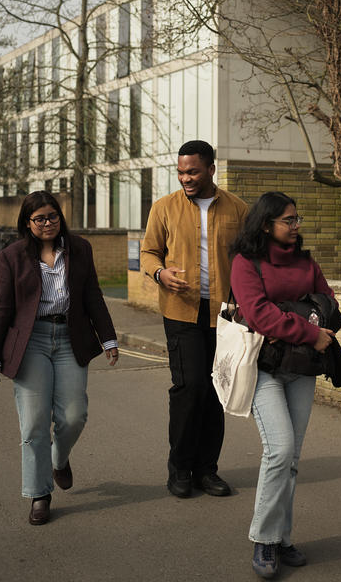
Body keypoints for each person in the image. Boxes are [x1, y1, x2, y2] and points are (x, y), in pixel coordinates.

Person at [0, 191, 119, 525]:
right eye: (39, 218)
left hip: (71, 337)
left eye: (52, 216)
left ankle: (59, 459)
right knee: (34, 422)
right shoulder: (12, 256)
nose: (47, 223)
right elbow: (2, 308)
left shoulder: (79, 248)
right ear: (27, 223)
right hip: (31, 341)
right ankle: (39, 494)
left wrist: (108, 338)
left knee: (74, 415)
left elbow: (92, 296)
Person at [229, 192, 337, 578]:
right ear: (265, 224)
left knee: (291, 459)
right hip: (264, 369)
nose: (296, 226)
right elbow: (258, 315)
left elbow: (329, 305)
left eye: (297, 219)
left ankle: (281, 537)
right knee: (280, 449)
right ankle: (263, 538)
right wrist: (307, 329)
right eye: (288, 220)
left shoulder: (306, 262)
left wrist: (292, 325)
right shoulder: (246, 262)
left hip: (302, 368)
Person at [140, 140, 248, 499]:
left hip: (225, 315)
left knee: (216, 392)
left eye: (193, 171)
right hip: (180, 311)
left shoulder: (237, 209)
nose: (185, 178)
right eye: (181, 171)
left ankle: (207, 470)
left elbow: (251, 259)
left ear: (211, 170)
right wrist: (160, 274)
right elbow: (149, 252)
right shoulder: (164, 208)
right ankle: (180, 469)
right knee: (189, 389)